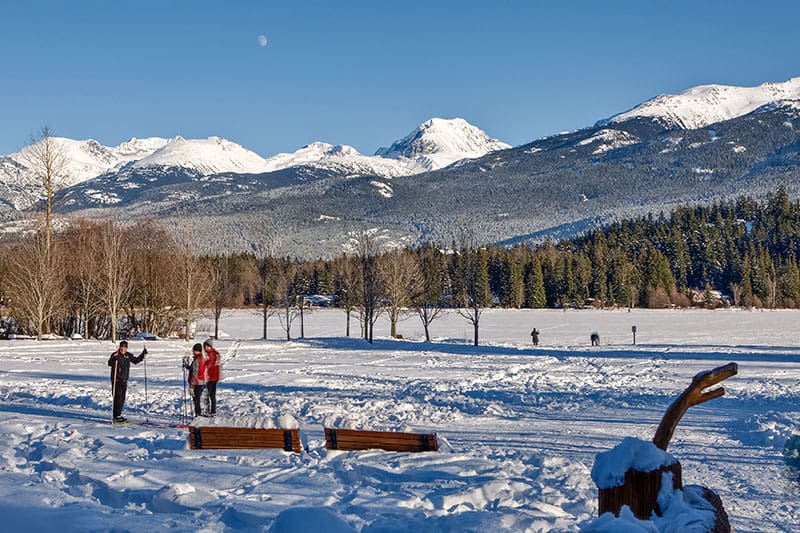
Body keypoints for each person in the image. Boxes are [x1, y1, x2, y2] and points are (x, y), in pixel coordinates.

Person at [108, 340, 147, 422]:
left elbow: (136, 361)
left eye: (125, 347)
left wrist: (143, 354)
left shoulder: (128, 355)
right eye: (122, 347)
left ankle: (119, 414)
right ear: (120, 347)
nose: (123, 349)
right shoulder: (116, 354)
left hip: (124, 379)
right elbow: (110, 363)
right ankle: (116, 415)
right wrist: (114, 358)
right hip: (117, 379)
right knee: (117, 398)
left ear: (126, 348)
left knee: (122, 398)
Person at [183, 343, 206, 417]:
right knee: (197, 400)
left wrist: (191, 386)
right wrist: (188, 367)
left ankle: (198, 416)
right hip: (201, 382)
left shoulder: (197, 360)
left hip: (197, 383)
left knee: (196, 401)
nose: (192, 352)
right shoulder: (200, 358)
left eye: (193, 350)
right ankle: (198, 415)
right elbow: (195, 369)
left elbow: (195, 374)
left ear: (196, 351)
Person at [203, 339, 220, 416]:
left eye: (205, 347)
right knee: (212, 394)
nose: (204, 349)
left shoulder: (211, 354)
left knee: (209, 394)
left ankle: (210, 411)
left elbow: (209, 364)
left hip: (212, 376)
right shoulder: (215, 353)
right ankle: (213, 411)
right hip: (215, 376)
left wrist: (203, 364)